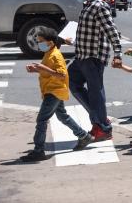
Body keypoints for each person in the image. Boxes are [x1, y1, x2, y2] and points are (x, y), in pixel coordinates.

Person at [21, 27, 94, 162]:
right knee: (62, 116)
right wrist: (36, 70)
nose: (39, 44)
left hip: (54, 91)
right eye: (38, 41)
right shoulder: (49, 53)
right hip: (53, 89)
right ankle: (84, 136)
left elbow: (61, 74)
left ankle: (38, 151)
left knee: (42, 120)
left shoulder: (55, 55)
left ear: (51, 42)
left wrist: (42, 68)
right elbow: (51, 72)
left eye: (41, 41)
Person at [65, 0, 122, 142]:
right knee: (72, 81)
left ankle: (102, 127)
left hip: (93, 57)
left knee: (96, 92)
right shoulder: (87, 5)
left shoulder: (99, 6)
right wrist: (73, 40)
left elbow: (111, 30)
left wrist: (118, 53)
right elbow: (89, 31)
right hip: (82, 54)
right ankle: (100, 118)